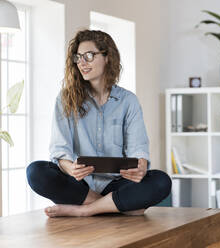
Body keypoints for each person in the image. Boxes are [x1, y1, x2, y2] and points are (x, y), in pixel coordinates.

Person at [26, 30, 171, 217]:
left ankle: (84, 211)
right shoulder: (65, 99)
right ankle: (115, 205)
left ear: (107, 57)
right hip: (80, 186)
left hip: (118, 183)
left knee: (161, 181)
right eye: (78, 57)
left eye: (89, 56)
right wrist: (72, 169)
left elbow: (138, 149)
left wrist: (140, 167)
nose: (82, 63)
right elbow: (60, 150)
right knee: (36, 172)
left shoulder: (128, 101)